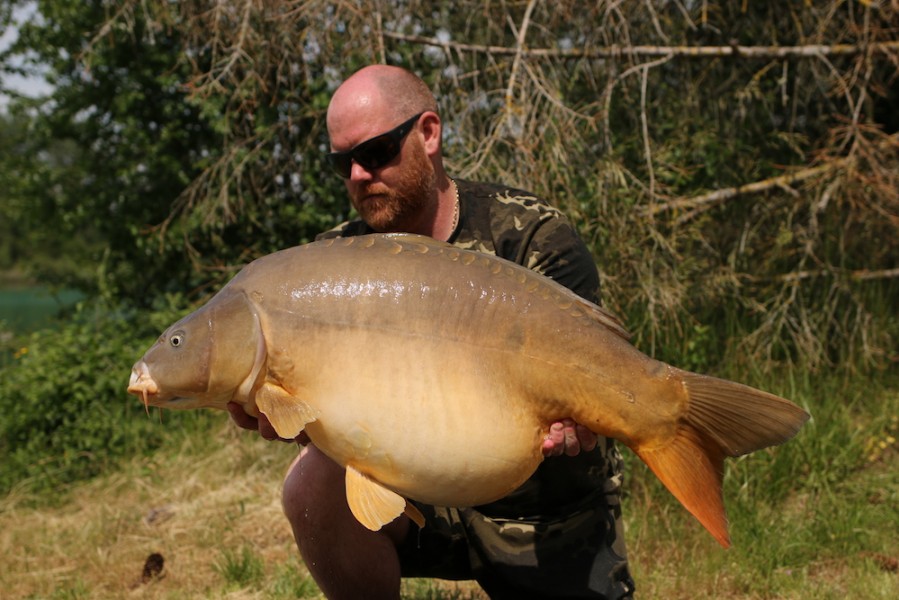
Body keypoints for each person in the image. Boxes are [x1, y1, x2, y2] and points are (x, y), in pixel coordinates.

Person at [228, 64, 635, 599]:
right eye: (341, 163)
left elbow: (599, 370)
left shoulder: (531, 237)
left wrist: (589, 416)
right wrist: (284, 411)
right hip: (415, 502)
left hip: (542, 511)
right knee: (309, 484)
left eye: (374, 153)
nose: (356, 175)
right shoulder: (333, 263)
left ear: (428, 133)